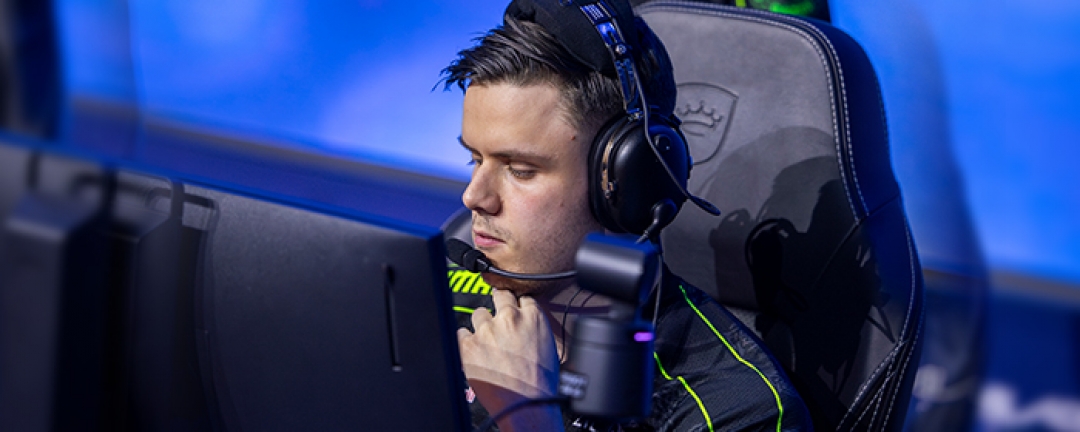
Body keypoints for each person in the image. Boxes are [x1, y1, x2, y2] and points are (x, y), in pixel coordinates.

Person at [441, 0, 812, 430]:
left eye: (520, 170)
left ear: (626, 182)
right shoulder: (441, 294)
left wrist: (527, 415)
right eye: (475, 159)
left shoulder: (739, 410)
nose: (474, 196)